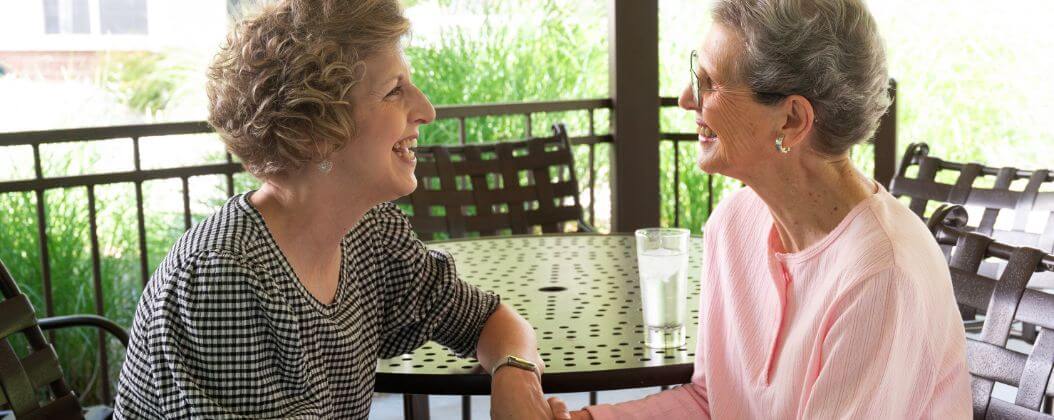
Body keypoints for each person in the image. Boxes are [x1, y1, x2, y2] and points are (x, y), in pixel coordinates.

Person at [113, 1, 559, 418]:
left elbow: (488, 319)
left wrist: (516, 376)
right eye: (393, 91)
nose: (426, 109)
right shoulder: (223, 277)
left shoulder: (371, 233)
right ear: (315, 129)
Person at [553, 0, 971, 418]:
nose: (685, 99)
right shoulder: (733, 224)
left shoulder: (881, 274)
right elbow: (711, 403)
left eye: (710, 83)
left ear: (791, 120)